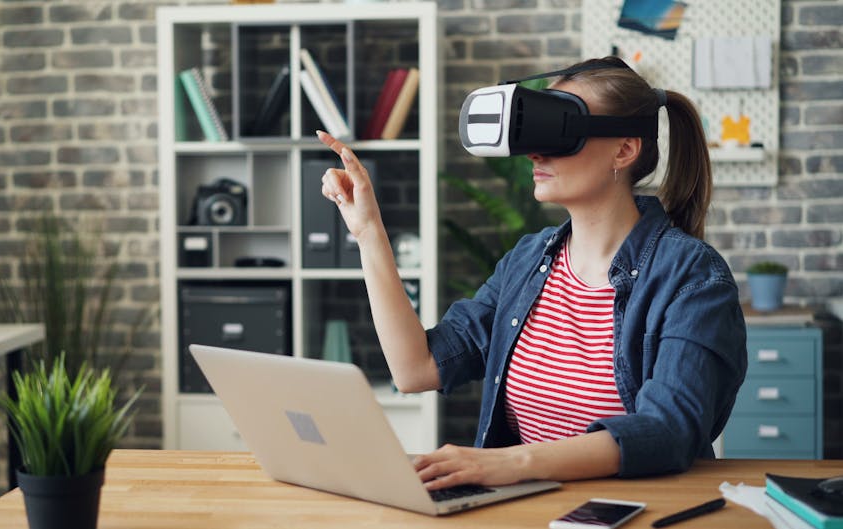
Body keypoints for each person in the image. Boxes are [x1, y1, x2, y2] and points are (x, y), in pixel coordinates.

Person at [315, 56, 747, 491]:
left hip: (638, 513)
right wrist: (368, 231)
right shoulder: (528, 261)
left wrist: (511, 463)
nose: (535, 152)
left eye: (560, 131)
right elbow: (416, 369)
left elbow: (668, 430)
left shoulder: (692, 277)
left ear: (624, 148)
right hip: (533, 512)